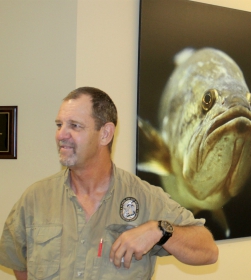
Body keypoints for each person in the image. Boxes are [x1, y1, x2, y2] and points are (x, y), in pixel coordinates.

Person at [0, 87, 218, 279]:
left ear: (105, 134)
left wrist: (159, 230)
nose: (61, 135)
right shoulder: (35, 198)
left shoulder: (145, 198)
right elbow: (19, 263)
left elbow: (208, 250)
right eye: (59, 124)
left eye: (74, 126)